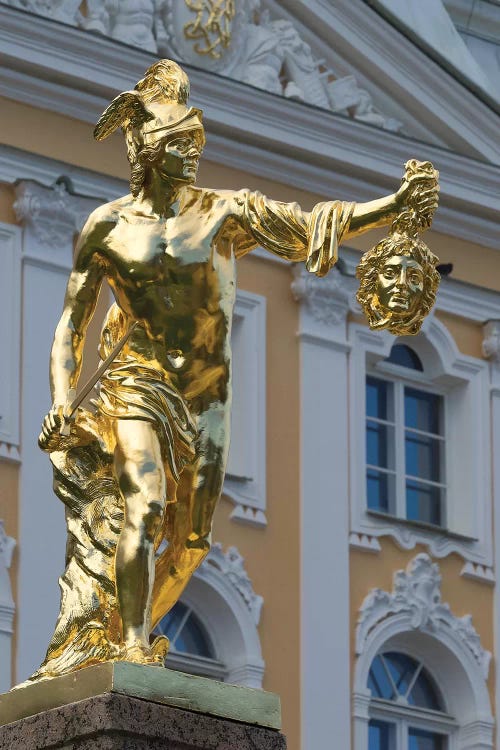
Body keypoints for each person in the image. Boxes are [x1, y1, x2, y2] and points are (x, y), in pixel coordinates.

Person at [39, 59, 438, 664]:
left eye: (196, 141)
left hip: (205, 400)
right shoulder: (107, 228)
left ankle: (114, 622)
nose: (193, 153)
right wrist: (65, 401)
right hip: (134, 386)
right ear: (149, 150)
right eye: (180, 143)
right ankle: (131, 645)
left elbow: (310, 226)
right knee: (144, 505)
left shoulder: (224, 213)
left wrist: (393, 205)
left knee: (192, 540)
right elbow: (72, 324)